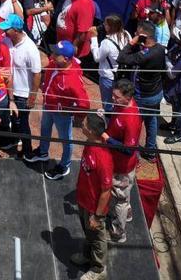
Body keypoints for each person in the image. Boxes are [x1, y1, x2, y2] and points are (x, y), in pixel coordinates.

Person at [26, 40, 90, 180]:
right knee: (45, 129)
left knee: (66, 139)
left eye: (56, 53)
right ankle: (43, 152)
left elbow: (85, 104)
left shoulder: (72, 80)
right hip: (48, 106)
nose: (53, 55)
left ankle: (64, 165)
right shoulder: (56, 63)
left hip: (61, 113)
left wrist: (71, 113)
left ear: (66, 59)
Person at [71, 112, 113, 280]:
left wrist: (97, 215)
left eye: (85, 124)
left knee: (97, 238)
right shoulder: (90, 143)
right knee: (88, 233)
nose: (82, 124)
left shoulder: (103, 158)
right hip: (83, 199)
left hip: (94, 207)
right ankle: (87, 256)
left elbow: (106, 190)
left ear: (92, 131)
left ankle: (98, 269)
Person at [118, 21, 166, 159]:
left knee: (135, 123)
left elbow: (122, 57)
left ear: (144, 36)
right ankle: (151, 150)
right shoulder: (160, 49)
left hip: (143, 96)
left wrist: (132, 43)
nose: (135, 35)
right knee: (151, 120)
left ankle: (131, 152)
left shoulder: (145, 55)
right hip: (156, 92)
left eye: (137, 34)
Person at [102, 79, 142, 244]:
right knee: (123, 198)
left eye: (117, 97)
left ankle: (118, 233)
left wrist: (108, 139)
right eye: (113, 94)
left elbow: (128, 149)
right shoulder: (121, 106)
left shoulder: (131, 119)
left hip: (123, 168)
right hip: (115, 162)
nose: (113, 99)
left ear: (128, 97)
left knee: (119, 199)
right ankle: (128, 214)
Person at [0, 14, 41, 160]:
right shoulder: (6, 40)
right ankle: (15, 141)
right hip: (9, 90)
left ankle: (27, 151)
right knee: (13, 119)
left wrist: (32, 96)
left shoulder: (30, 48)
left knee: (22, 123)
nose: (4, 32)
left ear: (16, 30)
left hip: (23, 94)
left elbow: (37, 75)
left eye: (7, 29)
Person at [89, 15, 131, 112]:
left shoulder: (106, 42)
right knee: (119, 101)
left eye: (105, 24)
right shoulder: (127, 34)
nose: (103, 26)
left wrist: (94, 38)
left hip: (107, 78)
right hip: (122, 75)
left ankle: (108, 123)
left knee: (107, 103)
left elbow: (97, 57)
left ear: (110, 27)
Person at [55, 0, 95, 65]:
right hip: (62, 44)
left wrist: (73, 47)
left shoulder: (85, 4)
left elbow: (83, 32)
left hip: (72, 52)